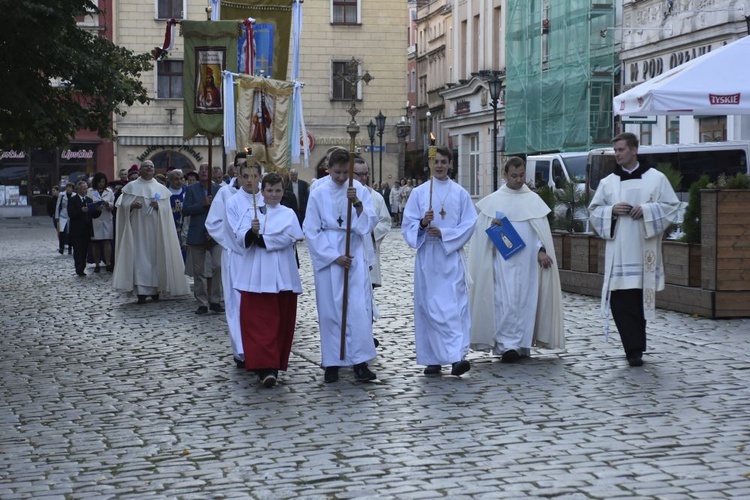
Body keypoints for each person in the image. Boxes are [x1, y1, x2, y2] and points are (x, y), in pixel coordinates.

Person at [589, 132, 681, 367]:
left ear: (634, 150)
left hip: (643, 251)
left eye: (621, 150)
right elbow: (594, 211)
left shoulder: (656, 178)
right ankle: (632, 349)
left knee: (638, 302)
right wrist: (611, 210)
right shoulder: (608, 182)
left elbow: (672, 206)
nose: (617, 155)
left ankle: (637, 348)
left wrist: (648, 211)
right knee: (620, 302)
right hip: (619, 253)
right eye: (616, 151)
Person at [467, 156, 565, 362]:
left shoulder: (532, 200)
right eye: (514, 176)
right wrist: (491, 227)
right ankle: (506, 345)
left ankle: (522, 344)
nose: (519, 180)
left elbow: (539, 232)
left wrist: (541, 250)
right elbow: (480, 237)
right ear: (505, 175)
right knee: (504, 300)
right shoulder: (493, 201)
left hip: (528, 262)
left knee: (526, 301)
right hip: (502, 262)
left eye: (521, 175)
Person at [303, 148, 379, 383]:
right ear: (328, 168)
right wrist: (333, 256)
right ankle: (332, 362)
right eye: (336, 172)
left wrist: (356, 203)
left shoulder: (359, 190)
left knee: (357, 309)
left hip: (353, 251)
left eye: (345, 172)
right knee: (330, 310)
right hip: (329, 255)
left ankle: (359, 361)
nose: (340, 177)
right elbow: (311, 229)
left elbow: (370, 221)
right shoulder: (318, 193)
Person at [401, 146, 477, 377]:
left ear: (451, 164)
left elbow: (470, 223)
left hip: (450, 257)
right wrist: (423, 224)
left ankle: (456, 357)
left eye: (444, 161)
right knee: (429, 308)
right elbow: (408, 226)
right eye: (437, 162)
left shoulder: (460, 193)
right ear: (431, 164)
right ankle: (432, 358)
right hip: (428, 259)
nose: (440, 165)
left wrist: (445, 234)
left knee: (453, 308)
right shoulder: (420, 193)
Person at [228, 171, 303, 387]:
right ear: (262, 191)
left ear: (283, 192)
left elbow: (290, 237)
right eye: (269, 190)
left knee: (278, 321)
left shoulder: (288, 213)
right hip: (255, 274)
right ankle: (261, 365)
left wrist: (263, 240)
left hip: (281, 273)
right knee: (257, 322)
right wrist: (252, 233)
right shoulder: (251, 213)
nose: (273, 194)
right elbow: (239, 237)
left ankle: (272, 366)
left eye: (278, 190)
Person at [113, 160, 189, 304]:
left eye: (151, 166)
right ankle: (142, 291)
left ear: (154, 170)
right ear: (140, 170)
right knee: (140, 259)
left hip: (156, 230)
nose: (149, 168)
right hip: (138, 230)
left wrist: (159, 206)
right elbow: (122, 207)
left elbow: (167, 212)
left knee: (156, 257)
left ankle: (156, 289)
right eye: (146, 166)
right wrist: (131, 205)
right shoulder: (131, 187)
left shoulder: (160, 188)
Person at [206, 153, 250, 368]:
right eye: (242, 169)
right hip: (234, 256)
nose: (247, 175)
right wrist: (232, 242)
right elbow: (213, 223)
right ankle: (240, 349)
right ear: (235, 171)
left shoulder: (260, 194)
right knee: (236, 303)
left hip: (255, 257)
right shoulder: (225, 193)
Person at [183, 162, 223, 315]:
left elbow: (223, 212)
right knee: (199, 271)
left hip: (216, 235)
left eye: (208, 169)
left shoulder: (220, 190)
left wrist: (215, 230)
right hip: (197, 234)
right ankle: (202, 302)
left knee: (217, 267)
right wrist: (202, 204)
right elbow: (186, 210)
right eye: (202, 169)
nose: (204, 171)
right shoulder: (192, 189)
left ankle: (215, 300)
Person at [87, 172, 115, 273]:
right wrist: (95, 207)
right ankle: (97, 263)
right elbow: (88, 204)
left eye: (103, 182)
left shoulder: (109, 192)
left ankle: (108, 262)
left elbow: (114, 204)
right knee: (96, 243)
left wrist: (108, 204)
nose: (101, 184)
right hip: (95, 219)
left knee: (107, 241)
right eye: (99, 182)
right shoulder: (90, 191)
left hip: (107, 218)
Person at [67, 180, 96, 277]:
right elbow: (71, 214)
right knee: (78, 250)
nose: (85, 190)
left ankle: (82, 266)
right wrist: (81, 211)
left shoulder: (89, 200)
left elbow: (93, 215)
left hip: (87, 230)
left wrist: (98, 210)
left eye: (86, 188)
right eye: (84, 188)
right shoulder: (72, 200)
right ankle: (79, 268)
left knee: (84, 250)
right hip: (77, 230)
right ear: (78, 189)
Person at [166, 169, 186, 260]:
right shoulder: (165, 193)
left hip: (185, 227)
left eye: (181, 179)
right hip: (170, 226)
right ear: (170, 180)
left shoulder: (187, 191)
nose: (179, 181)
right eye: (176, 179)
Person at [55, 183, 74, 255]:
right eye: (67, 187)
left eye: (70, 187)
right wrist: (57, 216)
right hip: (63, 215)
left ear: (72, 188)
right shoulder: (62, 195)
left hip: (71, 216)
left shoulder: (74, 195)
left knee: (70, 233)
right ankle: (61, 247)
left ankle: (70, 248)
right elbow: (58, 206)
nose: (69, 189)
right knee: (62, 232)